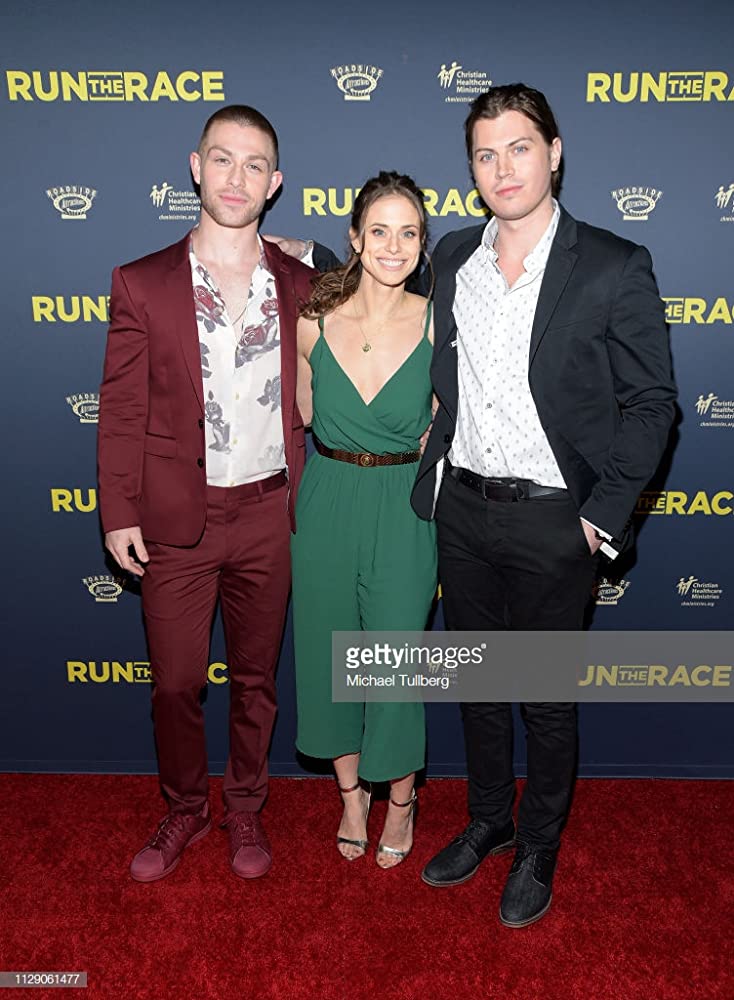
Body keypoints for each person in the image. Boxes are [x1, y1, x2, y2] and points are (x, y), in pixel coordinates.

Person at [412, 84, 676, 925]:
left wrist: (598, 518)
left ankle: (538, 842)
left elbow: (653, 404)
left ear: (554, 153)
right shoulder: (454, 255)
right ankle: (489, 818)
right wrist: (290, 253)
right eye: (485, 154)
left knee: (547, 700)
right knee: (479, 689)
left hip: (556, 520)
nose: (503, 168)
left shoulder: (612, 264)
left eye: (519, 147)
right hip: (463, 510)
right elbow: (374, 280)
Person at [98, 105, 321, 883]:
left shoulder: (304, 283)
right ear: (196, 168)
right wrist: (118, 510)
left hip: (269, 513)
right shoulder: (141, 282)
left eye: (254, 165)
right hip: (174, 520)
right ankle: (187, 806)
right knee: (176, 685)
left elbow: (392, 298)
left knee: (257, 681)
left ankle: (245, 806)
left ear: (274, 183)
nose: (236, 177)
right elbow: (122, 407)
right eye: (222, 159)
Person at [291, 172, 437, 868]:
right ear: (354, 238)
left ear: (423, 243)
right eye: (379, 230)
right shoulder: (312, 323)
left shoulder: (440, 322)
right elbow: (303, 414)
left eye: (408, 233)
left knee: (395, 663)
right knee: (329, 652)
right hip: (326, 498)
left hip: (405, 505)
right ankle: (351, 795)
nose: (393, 246)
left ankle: (401, 800)